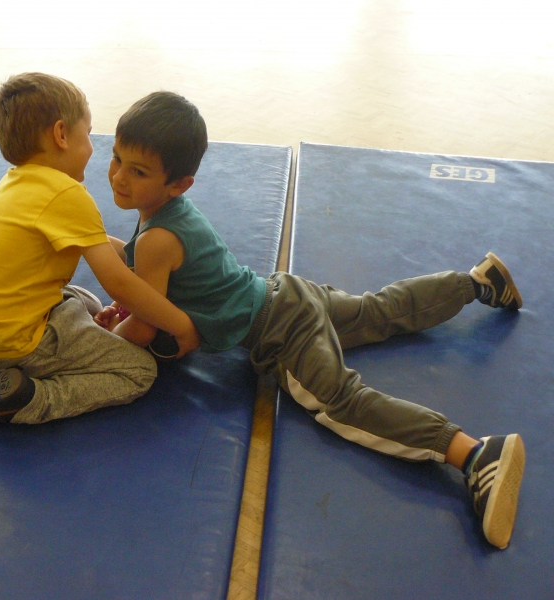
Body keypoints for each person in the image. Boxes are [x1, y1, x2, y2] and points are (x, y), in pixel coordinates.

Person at [94, 91, 526, 549]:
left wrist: (108, 336)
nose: (119, 177)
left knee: (343, 403)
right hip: (287, 294)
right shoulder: (166, 217)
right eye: (116, 158)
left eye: (138, 172)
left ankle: (475, 454)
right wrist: (106, 261)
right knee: (376, 310)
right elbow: (144, 274)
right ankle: (476, 283)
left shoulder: (156, 240)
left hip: (280, 334)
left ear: (179, 184)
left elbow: (145, 326)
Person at [0, 73, 200, 425]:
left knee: (89, 304)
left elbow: (97, 244)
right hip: (14, 342)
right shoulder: (67, 195)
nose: (92, 147)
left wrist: (140, 257)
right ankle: (30, 398)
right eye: (88, 134)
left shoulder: (18, 181)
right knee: (139, 370)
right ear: (61, 135)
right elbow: (119, 285)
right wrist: (181, 325)